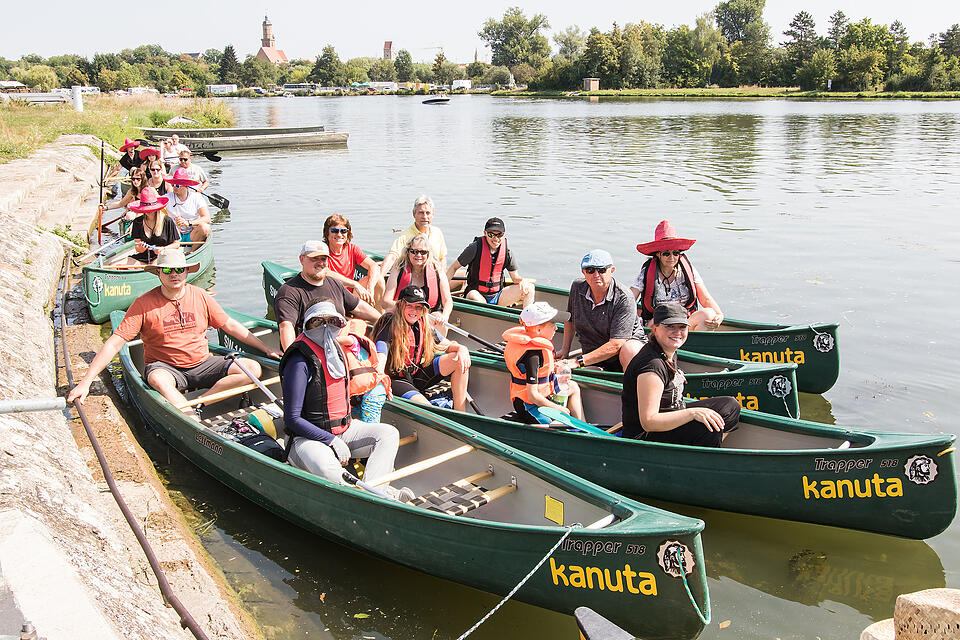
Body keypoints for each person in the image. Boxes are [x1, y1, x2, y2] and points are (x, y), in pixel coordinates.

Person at [67, 249, 281, 419]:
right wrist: (86, 382)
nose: (174, 274)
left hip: (202, 363)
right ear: (159, 273)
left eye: (179, 269)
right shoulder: (143, 304)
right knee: (158, 379)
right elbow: (115, 343)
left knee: (252, 368)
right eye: (168, 270)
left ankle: (199, 403)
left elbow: (230, 326)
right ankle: (189, 417)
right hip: (165, 367)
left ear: (187, 272)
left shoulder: (200, 295)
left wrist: (266, 348)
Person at [279, 300, 413, 501]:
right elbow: (292, 419)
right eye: (317, 322)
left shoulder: (337, 352)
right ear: (307, 325)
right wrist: (329, 440)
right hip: (307, 440)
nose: (325, 328)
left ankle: (377, 491)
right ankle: (378, 496)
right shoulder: (299, 361)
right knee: (329, 471)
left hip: (343, 431)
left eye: (332, 322)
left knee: (388, 434)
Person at [621, 302, 740, 446]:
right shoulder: (651, 366)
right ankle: (707, 462)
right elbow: (649, 422)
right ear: (655, 329)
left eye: (682, 327)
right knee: (708, 428)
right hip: (645, 437)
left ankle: (705, 450)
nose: (677, 332)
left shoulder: (667, 351)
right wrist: (693, 413)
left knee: (730, 406)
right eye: (670, 326)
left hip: (673, 414)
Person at [374, 286, 471, 412]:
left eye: (418, 307)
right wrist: (381, 377)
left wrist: (462, 348)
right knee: (429, 410)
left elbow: (447, 345)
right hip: (397, 380)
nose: (414, 310)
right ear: (400, 305)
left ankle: (460, 413)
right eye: (410, 305)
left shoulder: (422, 323)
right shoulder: (390, 322)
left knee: (459, 359)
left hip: (416, 375)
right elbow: (381, 352)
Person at [274, 241, 380, 351]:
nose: (320, 263)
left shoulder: (334, 284)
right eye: (314, 258)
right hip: (311, 352)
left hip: (341, 347)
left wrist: (384, 319)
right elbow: (286, 327)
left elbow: (358, 307)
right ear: (301, 259)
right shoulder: (289, 292)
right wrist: (291, 356)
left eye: (323, 259)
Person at [559, 249, 646, 372]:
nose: (596, 275)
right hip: (593, 356)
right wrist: (565, 350)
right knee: (562, 372)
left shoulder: (624, 297)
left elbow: (616, 344)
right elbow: (570, 319)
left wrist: (577, 361)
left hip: (624, 354)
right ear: (583, 272)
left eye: (601, 270)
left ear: (612, 271)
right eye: (590, 270)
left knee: (630, 349)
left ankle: (631, 386)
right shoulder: (577, 287)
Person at [631, 220, 723, 330]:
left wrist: (719, 315)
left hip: (684, 321)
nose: (672, 258)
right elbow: (630, 298)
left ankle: (694, 342)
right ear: (658, 254)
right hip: (658, 323)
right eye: (666, 253)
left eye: (675, 253)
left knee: (709, 314)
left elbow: (705, 298)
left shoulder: (688, 268)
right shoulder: (646, 272)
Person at [503, 302, 584, 424]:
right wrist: (558, 408)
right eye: (553, 325)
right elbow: (532, 396)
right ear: (538, 329)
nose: (556, 328)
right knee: (556, 424)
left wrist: (557, 369)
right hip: (529, 406)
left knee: (572, 386)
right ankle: (569, 433)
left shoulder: (538, 349)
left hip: (543, 396)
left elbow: (543, 371)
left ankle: (581, 426)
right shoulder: (533, 356)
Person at [446, 217, 535, 308]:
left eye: (499, 235)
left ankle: (527, 320)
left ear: (503, 234)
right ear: (485, 233)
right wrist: (442, 290)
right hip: (476, 293)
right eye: (491, 234)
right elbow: (453, 267)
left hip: (498, 295)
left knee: (530, 288)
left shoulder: (507, 252)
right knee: (477, 299)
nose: (495, 239)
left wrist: (522, 281)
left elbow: (515, 278)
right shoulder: (474, 248)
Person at [382, 234, 452, 331]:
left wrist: (444, 316)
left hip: (429, 316)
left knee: (438, 318)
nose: (418, 255)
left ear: (428, 254)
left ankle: (434, 344)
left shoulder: (437, 270)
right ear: (408, 252)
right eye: (414, 251)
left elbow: (448, 301)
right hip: (403, 314)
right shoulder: (398, 269)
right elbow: (385, 302)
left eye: (423, 252)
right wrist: (410, 311)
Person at [321, 214, 385, 307]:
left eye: (343, 231)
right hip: (331, 294)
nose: (339, 234)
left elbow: (373, 266)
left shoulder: (352, 249)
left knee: (378, 279)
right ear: (327, 233)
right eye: (334, 231)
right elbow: (326, 272)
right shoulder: (323, 250)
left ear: (348, 233)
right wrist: (355, 285)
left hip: (351, 295)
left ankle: (380, 316)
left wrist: (370, 287)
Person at [380, 195, 448, 276]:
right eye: (421, 213)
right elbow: (392, 257)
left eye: (428, 213)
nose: (424, 217)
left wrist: (442, 278)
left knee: (462, 276)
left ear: (433, 214)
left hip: (434, 276)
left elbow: (442, 258)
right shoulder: (405, 235)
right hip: (414, 278)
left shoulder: (437, 232)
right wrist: (380, 276)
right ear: (414, 214)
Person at [121, 186, 180, 265]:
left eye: (150, 209)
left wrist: (163, 249)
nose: (148, 211)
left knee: (154, 266)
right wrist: (142, 248)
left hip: (163, 255)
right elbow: (138, 247)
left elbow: (176, 244)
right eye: (146, 209)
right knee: (115, 265)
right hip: (143, 256)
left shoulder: (167, 221)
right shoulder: (137, 222)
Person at [165, 168, 210, 248]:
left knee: (205, 227)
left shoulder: (196, 197)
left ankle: (192, 252)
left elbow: (207, 218)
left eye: (177, 185)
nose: (174, 187)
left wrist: (188, 222)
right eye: (173, 185)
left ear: (185, 186)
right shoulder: (167, 198)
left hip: (192, 234)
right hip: (175, 234)